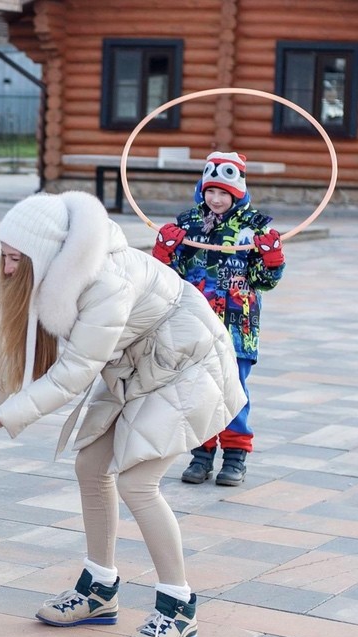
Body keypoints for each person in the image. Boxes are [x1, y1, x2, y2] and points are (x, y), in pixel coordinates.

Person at [0, 190, 247, 637]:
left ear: (45, 253)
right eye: (5, 257)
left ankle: (179, 606)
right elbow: (25, 353)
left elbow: (71, 374)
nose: (7, 269)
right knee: (91, 467)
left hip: (188, 368)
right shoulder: (54, 274)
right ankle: (99, 589)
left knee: (137, 482)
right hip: (135, 367)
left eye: (14, 259)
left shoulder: (106, 281)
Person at [152, 151, 285, 486]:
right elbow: (171, 280)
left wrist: (272, 260)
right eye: (210, 191)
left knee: (232, 390)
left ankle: (236, 457)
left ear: (237, 192)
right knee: (198, 390)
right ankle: (201, 455)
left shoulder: (256, 227)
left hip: (238, 327)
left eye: (223, 192)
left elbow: (265, 281)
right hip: (196, 325)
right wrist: (164, 255)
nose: (216, 198)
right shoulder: (187, 223)